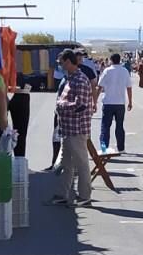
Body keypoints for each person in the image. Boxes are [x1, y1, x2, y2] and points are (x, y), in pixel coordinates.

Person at [49, 50, 95, 207]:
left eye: (62, 63)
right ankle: (63, 194)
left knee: (81, 163)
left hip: (77, 129)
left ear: (69, 61)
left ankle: (84, 196)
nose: (61, 66)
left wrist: (61, 106)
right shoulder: (70, 79)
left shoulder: (80, 80)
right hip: (67, 129)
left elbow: (80, 105)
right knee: (67, 164)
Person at [96, 52, 133, 155]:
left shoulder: (107, 71)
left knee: (105, 127)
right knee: (119, 126)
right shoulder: (125, 71)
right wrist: (130, 101)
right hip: (120, 103)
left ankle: (104, 149)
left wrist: (94, 101)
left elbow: (99, 87)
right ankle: (121, 148)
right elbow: (129, 87)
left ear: (111, 60)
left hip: (108, 102)